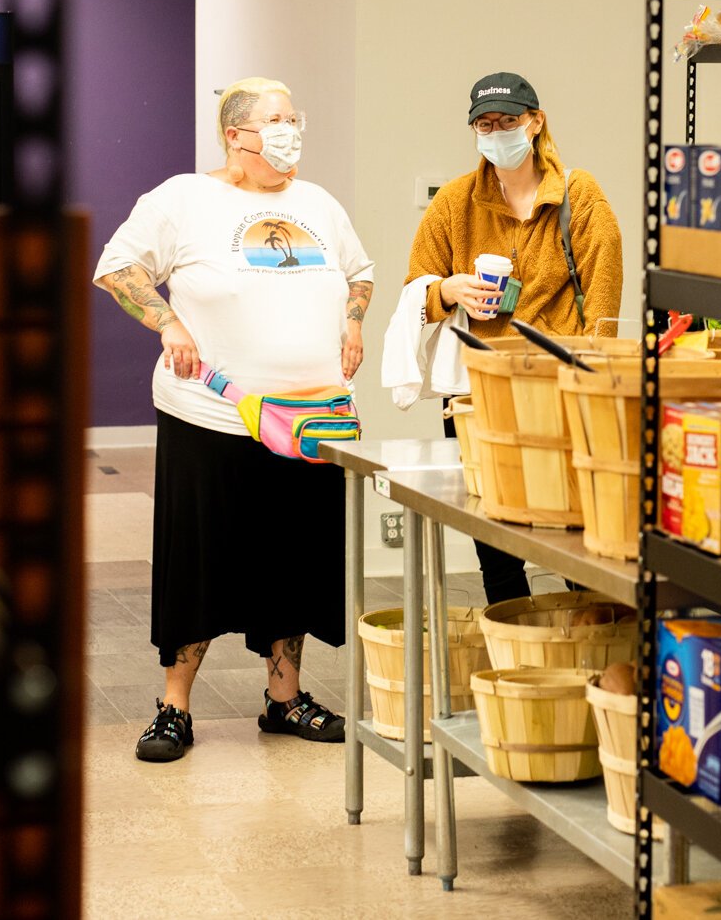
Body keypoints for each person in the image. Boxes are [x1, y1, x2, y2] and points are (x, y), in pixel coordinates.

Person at [94, 78, 373, 764]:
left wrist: (355, 321)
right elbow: (117, 267)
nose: (291, 130)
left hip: (309, 417)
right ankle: (174, 706)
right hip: (212, 412)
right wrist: (167, 320)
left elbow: (360, 272)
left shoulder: (318, 203)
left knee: (294, 558)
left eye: (294, 117)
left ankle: (285, 697)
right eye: (277, 120)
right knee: (199, 559)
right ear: (236, 135)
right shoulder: (185, 198)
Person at [405, 72, 623, 603]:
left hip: (560, 389)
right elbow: (416, 290)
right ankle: (515, 652)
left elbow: (603, 301)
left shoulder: (579, 194)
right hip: (479, 395)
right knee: (495, 538)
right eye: (485, 123)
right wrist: (450, 290)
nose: (496, 132)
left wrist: (594, 378)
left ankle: (594, 640)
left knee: (576, 531)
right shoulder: (456, 202)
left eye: (508, 121)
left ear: (535, 122)